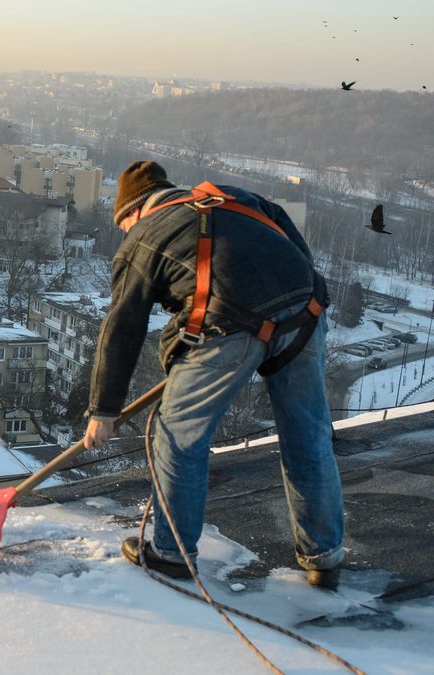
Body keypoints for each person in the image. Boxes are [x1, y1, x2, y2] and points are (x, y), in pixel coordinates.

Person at [83, 160, 345, 589]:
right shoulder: (229, 196)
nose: (124, 234)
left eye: (123, 226)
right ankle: (324, 557)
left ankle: (171, 555)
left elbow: (122, 328)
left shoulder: (141, 240)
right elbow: (282, 226)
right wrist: (293, 287)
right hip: (305, 311)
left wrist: (103, 410)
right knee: (308, 435)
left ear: (131, 213)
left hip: (230, 325)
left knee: (177, 435)